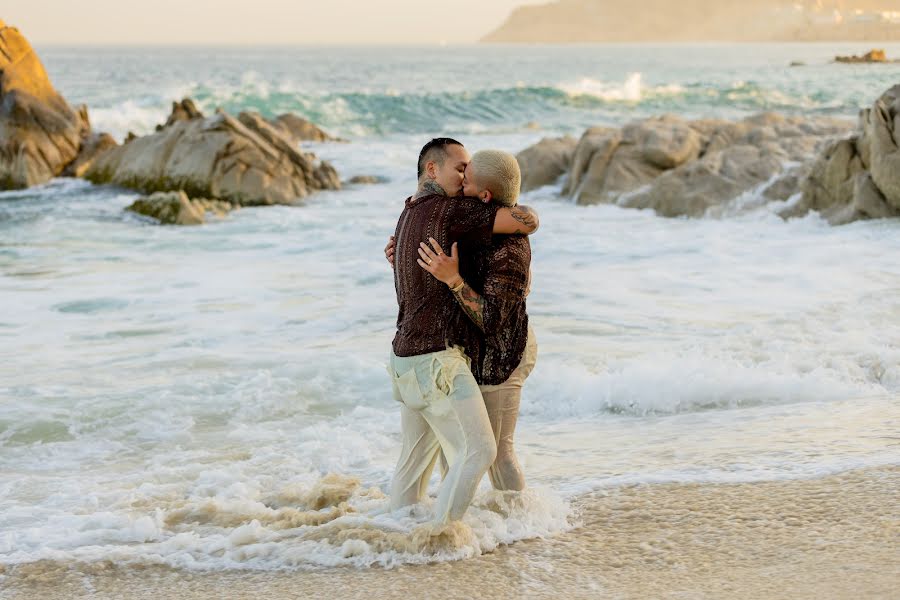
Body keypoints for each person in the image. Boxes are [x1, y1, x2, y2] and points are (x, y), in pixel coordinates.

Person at [388, 138, 539, 527]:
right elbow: (527, 219)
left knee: (490, 453)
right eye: (460, 170)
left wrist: (451, 277)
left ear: (485, 194)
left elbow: (494, 319)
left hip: (500, 353)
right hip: (439, 357)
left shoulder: (412, 212)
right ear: (432, 170)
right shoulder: (447, 214)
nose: (464, 182)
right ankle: (436, 537)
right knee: (474, 452)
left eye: (469, 176)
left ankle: (512, 526)